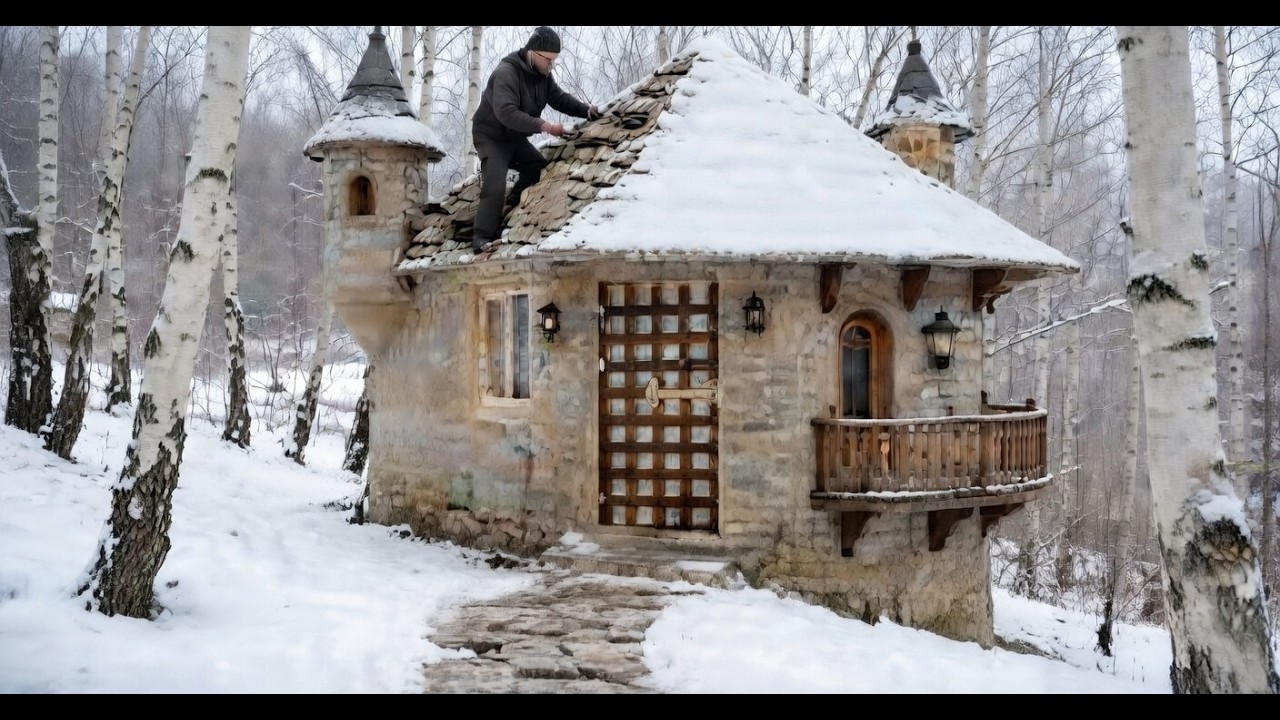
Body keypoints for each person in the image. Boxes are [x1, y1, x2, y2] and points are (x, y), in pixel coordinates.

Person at [470, 26, 601, 253]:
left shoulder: (543, 77)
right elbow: (506, 112)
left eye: (554, 61)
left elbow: (560, 99)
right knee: (494, 179)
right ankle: (481, 237)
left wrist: (587, 111)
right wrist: (545, 126)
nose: (551, 66)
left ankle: (510, 208)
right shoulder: (506, 73)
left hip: (515, 137)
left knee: (537, 167)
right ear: (533, 52)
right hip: (491, 136)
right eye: (548, 60)